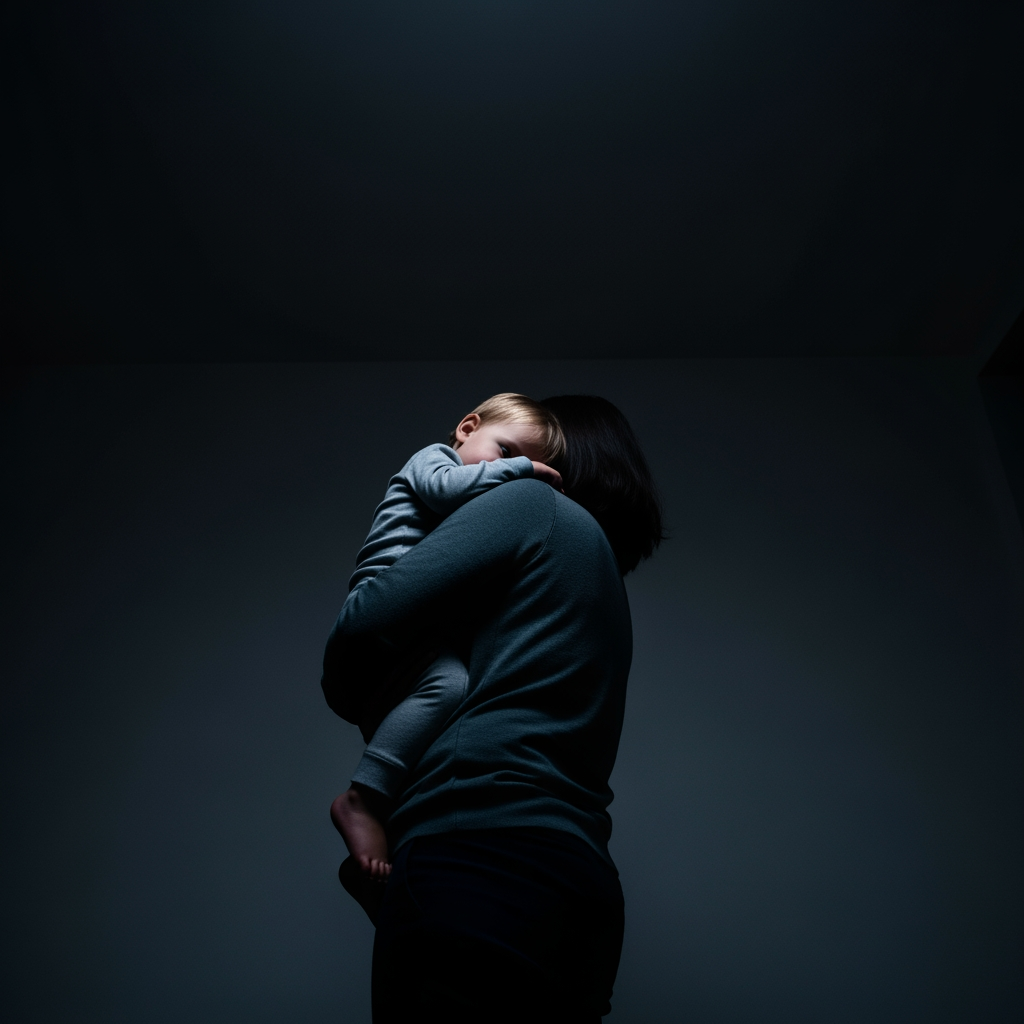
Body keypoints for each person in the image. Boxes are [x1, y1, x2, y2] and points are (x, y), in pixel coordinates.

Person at [321, 394, 663, 1022]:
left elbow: (364, 625)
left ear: (558, 459)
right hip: (581, 878)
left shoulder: (529, 504)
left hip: (477, 850)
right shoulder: (599, 578)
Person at [331, 394, 565, 881]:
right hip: (382, 609)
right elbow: (444, 491)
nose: (513, 464)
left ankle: (389, 839)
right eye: (505, 449)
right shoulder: (432, 459)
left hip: (412, 632)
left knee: (432, 725)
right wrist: (524, 473)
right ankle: (361, 798)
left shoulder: (481, 490)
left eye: (523, 459)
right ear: (466, 427)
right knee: (450, 685)